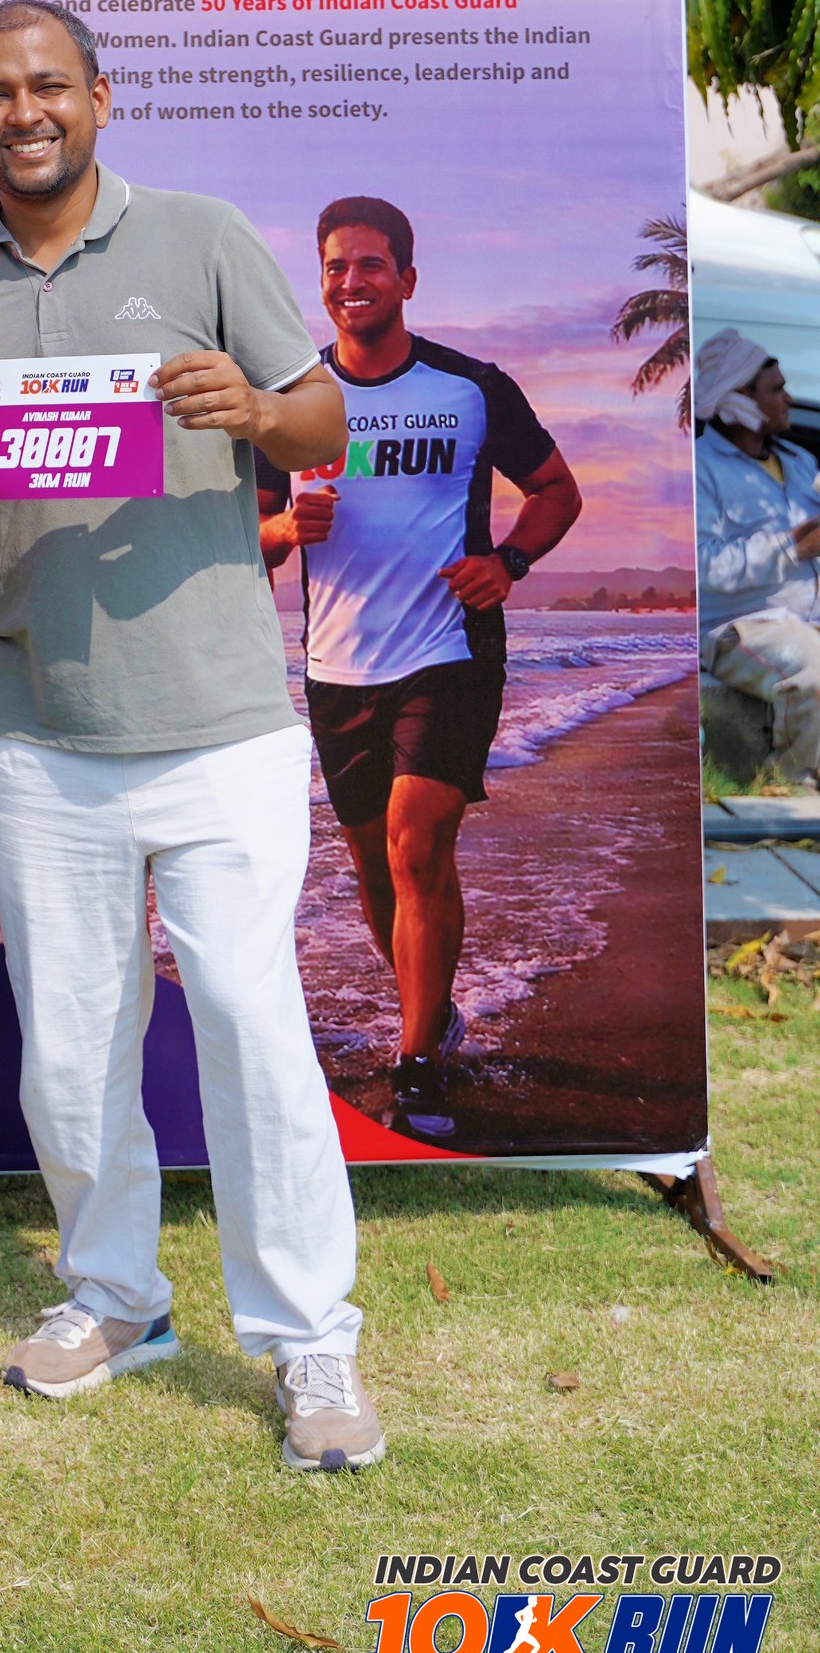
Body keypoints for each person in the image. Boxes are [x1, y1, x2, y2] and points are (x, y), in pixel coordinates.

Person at [0, 0, 385, 1474]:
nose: (25, 112)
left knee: (250, 1029)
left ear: (100, 98)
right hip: (35, 728)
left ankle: (308, 1339)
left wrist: (252, 410)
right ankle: (116, 1299)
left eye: (49, 85)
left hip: (220, 724)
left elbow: (322, 424)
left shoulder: (204, 237)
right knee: (68, 1054)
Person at [256, 198, 582, 1143]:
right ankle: (431, 1013)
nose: (351, 281)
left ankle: (416, 1063)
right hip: (336, 664)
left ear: (407, 278)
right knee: (373, 862)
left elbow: (556, 491)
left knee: (414, 844)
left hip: (450, 649)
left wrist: (509, 561)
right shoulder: (292, 402)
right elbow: (250, 536)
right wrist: (285, 526)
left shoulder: (471, 387)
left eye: (370, 264)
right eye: (335, 266)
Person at [692, 325, 820, 787]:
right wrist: (791, 548)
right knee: (814, 672)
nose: (788, 399)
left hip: (807, 621)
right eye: (776, 390)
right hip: (739, 628)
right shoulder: (700, 469)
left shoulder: (800, 463)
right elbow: (703, 565)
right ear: (738, 402)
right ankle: (793, 791)